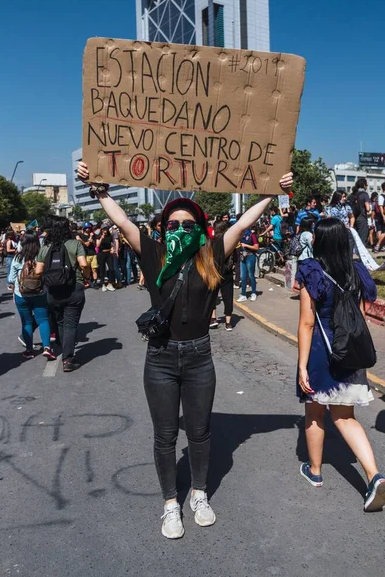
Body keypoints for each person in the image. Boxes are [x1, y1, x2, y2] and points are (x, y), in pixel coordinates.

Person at [76, 160, 293, 539]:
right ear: (163, 229)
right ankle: (169, 504)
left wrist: (271, 193)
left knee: (200, 432)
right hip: (160, 358)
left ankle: (198, 494)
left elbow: (242, 224)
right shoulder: (153, 253)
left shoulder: (210, 255)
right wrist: (99, 189)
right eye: (173, 224)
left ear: (201, 229)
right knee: (164, 436)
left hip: (198, 358)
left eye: (188, 225)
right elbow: (124, 221)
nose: (180, 229)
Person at [296, 218, 385, 511]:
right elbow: (358, 316)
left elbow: (307, 324)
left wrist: (301, 365)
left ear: (318, 242)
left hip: (322, 353)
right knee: (345, 416)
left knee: (314, 413)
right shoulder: (356, 271)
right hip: (350, 352)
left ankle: (315, 471)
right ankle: (373, 475)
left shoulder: (311, 272)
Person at [36, 216, 90, 372]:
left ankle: (62, 347)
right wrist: (86, 277)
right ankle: (68, 359)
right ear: (68, 229)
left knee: (60, 322)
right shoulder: (75, 244)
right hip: (74, 288)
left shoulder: (46, 247)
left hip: (53, 291)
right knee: (71, 324)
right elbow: (84, 264)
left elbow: (38, 270)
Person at [9, 233, 56, 360]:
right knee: (43, 320)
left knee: (26, 322)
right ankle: (47, 348)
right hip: (40, 293)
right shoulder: (41, 256)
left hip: (21, 294)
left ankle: (29, 350)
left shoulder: (18, 258)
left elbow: (11, 278)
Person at [210, 221, 234, 331]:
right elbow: (236, 258)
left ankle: (213, 318)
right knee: (228, 296)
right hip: (227, 272)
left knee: (212, 295)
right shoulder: (230, 242)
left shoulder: (211, 242)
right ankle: (228, 323)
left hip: (214, 272)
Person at [237, 223, 259, 303]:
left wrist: (246, 245)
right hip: (243, 257)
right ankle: (243, 294)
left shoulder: (252, 235)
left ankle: (253, 293)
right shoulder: (240, 235)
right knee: (243, 277)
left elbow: (256, 247)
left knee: (251, 275)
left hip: (250, 256)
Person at [77, 222, 99, 288]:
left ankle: (95, 282)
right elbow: (87, 244)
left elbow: (96, 245)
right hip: (85, 254)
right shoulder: (82, 236)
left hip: (93, 254)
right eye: (86, 228)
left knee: (94, 269)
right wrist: (90, 238)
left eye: (89, 228)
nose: (88, 229)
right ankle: (88, 281)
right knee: (86, 269)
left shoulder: (94, 235)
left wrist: (93, 241)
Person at [349, 178, 370, 245]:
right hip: (362, 217)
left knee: (353, 237)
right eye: (366, 185)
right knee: (362, 237)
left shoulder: (352, 194)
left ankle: (352, 253)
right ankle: (361, 254)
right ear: (364, 185)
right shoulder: (364, 194)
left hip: (352, 217)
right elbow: (368, 208)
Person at [97, 224, 116, 292]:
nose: (105, 230)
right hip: (101, 253)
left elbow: (111, 244)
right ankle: (103, 284)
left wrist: (112, 249)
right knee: (102, 269)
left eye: (105, 229)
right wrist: (101, 238)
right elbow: (97, 245)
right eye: (103, 229)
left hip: (109, 253)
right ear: (101, 230)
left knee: (111, 268)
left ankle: (110, 284)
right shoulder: (98, 236)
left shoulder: (109, 236)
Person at [374, 183, 385, 252]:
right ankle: (378, 245)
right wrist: (383, 216)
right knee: (381, 231)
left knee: (380, 231)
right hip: (381, 216)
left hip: (380, 216)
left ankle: (380, 246)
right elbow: (380, 206)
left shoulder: (381, 196)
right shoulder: (381, 196)